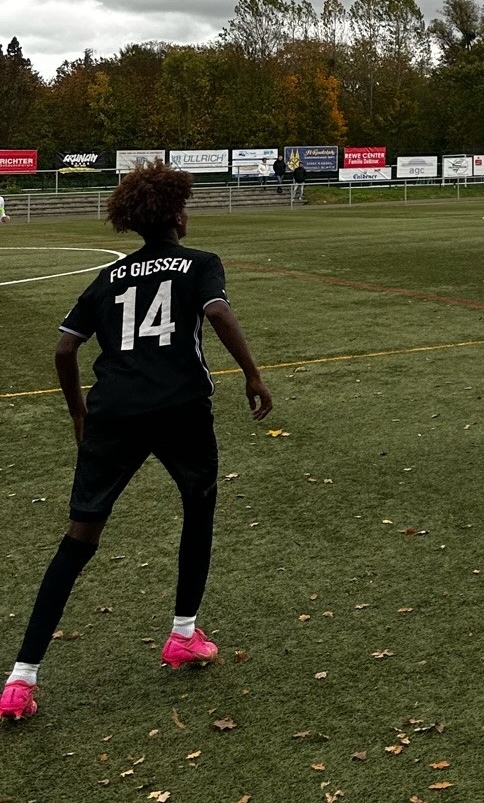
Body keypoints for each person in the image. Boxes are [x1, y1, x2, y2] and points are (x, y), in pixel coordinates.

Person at [0, 163, 273, 723]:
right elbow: (216, 311)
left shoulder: (110, 276)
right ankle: (182, 634)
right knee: (198, 508)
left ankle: (20, 678)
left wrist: (80, 415)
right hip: (179, 408)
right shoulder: (200, 264)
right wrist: (252, 373)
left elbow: (62, 350)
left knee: (79, 538)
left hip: (114, 413)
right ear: (176, 213)